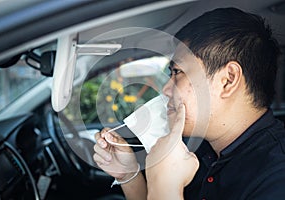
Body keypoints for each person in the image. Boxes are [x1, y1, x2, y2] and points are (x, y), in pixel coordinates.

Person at [93, 7, 285, 199]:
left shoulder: (276, 176)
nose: (166, 89)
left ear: (228, 80)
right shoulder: (200, 148)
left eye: (177, 72)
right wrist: (129, 175)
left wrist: (165, 184)